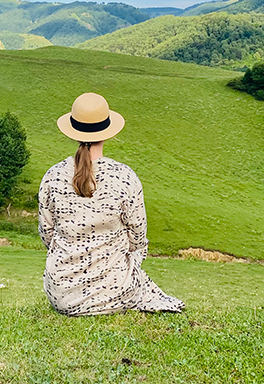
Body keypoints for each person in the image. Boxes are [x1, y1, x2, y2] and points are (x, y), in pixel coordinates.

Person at [38, 92, 185, 316]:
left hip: (62, 296)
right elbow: (137, 239)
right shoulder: (124, 177)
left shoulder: (52, 176)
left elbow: (47, 235)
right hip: (115, 292)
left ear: (73, 131)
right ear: (107, 133)